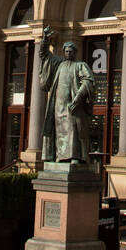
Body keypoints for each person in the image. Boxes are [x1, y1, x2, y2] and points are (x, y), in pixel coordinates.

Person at [38, 28, 94, 164]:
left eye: (71, 51)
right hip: (58, 105)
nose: (68, 53)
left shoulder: (80, 65)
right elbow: (44, 54)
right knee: (58, 131)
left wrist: (78, 98)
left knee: (74, 131)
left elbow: (88, 81)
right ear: (63, 52)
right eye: (66, 51)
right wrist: (45, 38)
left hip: (73, 105)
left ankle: (75, 157)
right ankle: (60, 156)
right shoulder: (59, 64)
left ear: (75, 53)